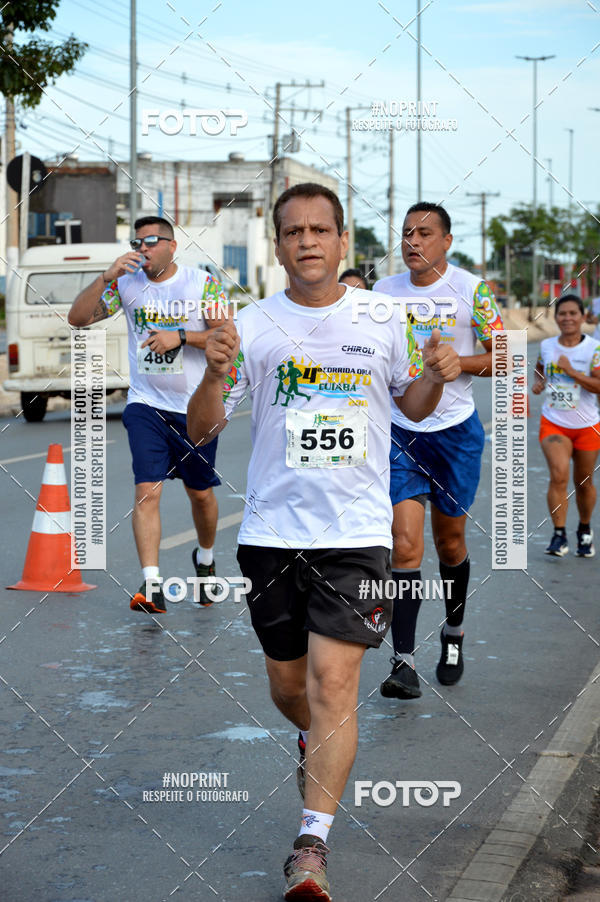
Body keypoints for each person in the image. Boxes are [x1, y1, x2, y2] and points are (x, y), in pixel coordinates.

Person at [187, 183, 460, 901]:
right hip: (273, 534)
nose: (306, 240)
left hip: (356, 537)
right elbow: (202, 429)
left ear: (342, 242)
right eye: (292, 231)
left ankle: (311, 846)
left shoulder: (382, 317)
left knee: (334, 684)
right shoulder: (249, 326)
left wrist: (434, 378)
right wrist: (214, 374)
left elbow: (411, 406)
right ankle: (319, 747)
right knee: (290, 687)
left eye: (319, 229)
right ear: (278, 246)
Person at [374, 202, 505, 700]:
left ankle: (453, 634)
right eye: (406, 233)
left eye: (424, 233)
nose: (413, 241)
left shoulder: (472, 290)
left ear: (446, 241)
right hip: (399, 431)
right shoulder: (382, 293)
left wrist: (460, 363)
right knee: (404, 545)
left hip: (454, 433)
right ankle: (402, 660)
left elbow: (507, 357)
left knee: (449, 543)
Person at [68, 215, 227, 613]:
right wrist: (105, 277)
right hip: (145, 404)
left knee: (201, 494)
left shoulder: (201, 283)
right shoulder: (125, 284)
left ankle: (205, 560)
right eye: (137, 242)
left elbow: (226, 335)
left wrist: (183, 336)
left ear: (173, 246)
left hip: (195, 409)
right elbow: (78, 318)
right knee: (146, 491)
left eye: (152, 242)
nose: (143, 249)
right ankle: (153, 584)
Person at [533, 294, 600, 557]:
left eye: (574, 313)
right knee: (558, 474)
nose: (568, 318)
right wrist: (539, 382)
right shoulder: (547, 345)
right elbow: (540, 368)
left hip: (587, 424)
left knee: (583, 482)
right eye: (563, 313)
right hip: (555, 422)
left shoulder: (593, 349)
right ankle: (558, 535)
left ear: (583, 317)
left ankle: (584, 529)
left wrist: (572, 373)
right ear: (556, 317)